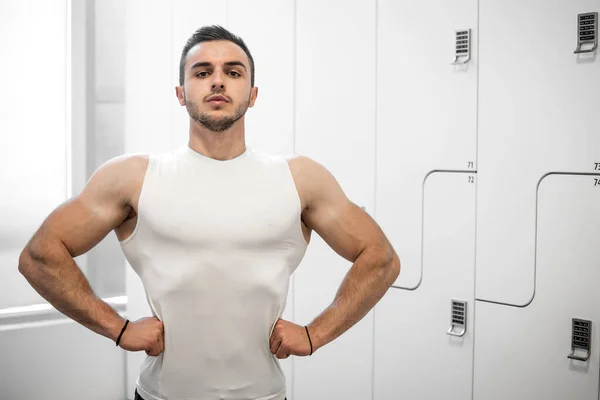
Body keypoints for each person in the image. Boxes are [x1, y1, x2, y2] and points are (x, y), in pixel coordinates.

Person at [18, 25, 400, 400]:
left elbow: (380, 259)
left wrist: (316, 334)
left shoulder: (300, 179)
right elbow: (40, 255)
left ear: (252, 94)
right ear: (181, 93)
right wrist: (118, 329)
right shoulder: (133, 178)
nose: (218, 81)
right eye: (203, 72)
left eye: (233, 72)